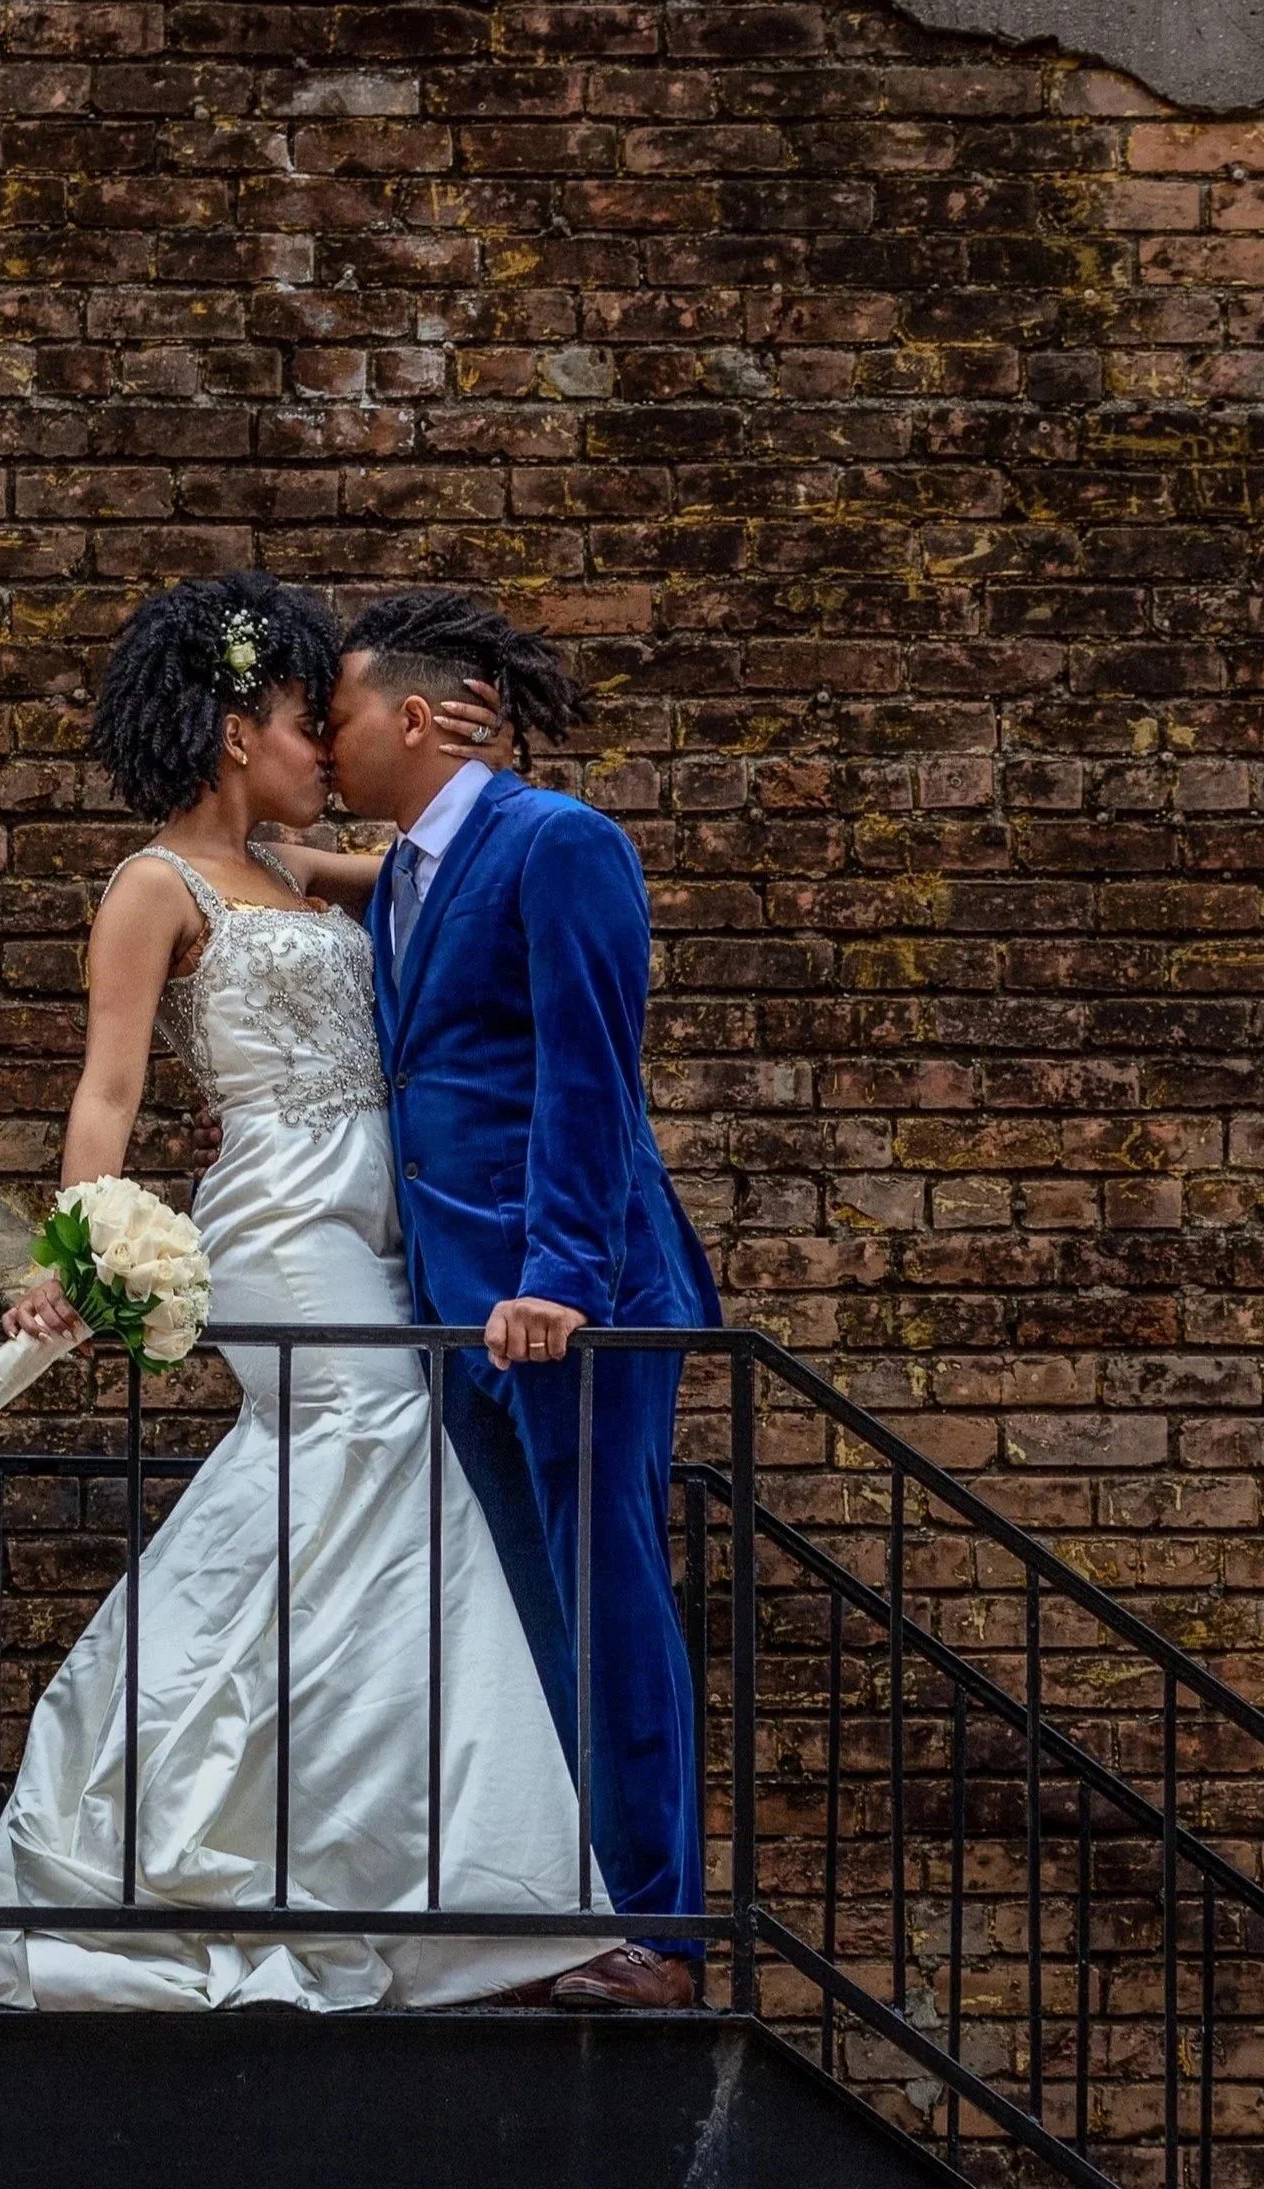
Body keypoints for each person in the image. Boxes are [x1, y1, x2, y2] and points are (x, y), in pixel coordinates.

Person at [0, 571, 620, 2011]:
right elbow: (106, 1092)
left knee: (368, 1499)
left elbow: (450, 867)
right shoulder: (147, 888)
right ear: (240, 733)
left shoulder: (299, 878)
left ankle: (383, 1858)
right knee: (374, 1453)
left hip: (378, 1218)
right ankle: (223, 1828)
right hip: (280, 1223)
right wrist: (70, 1259)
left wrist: (466, 742)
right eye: (306, 726)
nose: (324, 758)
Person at [326, 590, 722, 2011]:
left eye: (342, 715)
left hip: (577, 1306)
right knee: (534, 1617)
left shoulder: (566, 844)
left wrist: (559, 1279)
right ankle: (577, 1912)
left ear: (415, 720)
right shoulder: (416, 879)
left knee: (611, 1609)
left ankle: (664, 1941)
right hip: (456, 1306)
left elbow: (587, 1074)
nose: (325, 736)